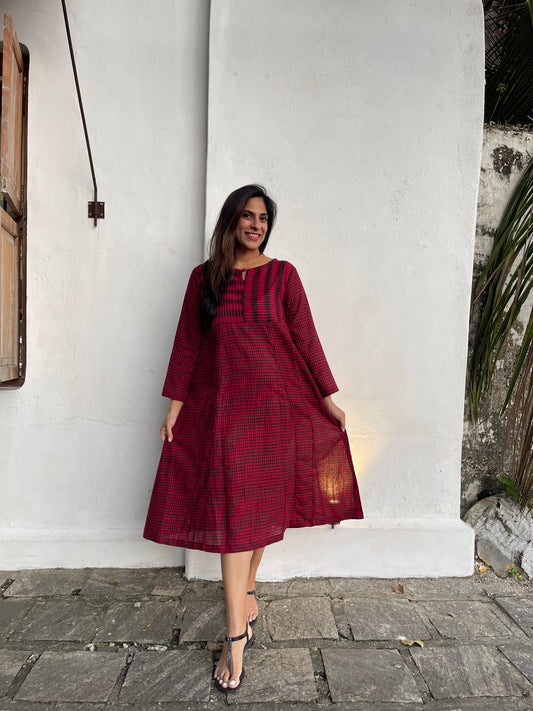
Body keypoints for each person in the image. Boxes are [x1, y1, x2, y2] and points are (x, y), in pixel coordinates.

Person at [143, 184, 363, 692]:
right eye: (247, 215)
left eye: (263, 218)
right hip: (225, 414)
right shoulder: (204, 279)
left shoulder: (283, 276)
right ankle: (235, 635)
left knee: (261, 511)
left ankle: (246, 592)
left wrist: (328, 399)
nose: (255, 225)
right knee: (234, 517)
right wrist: (174, 407)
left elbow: (306, 339)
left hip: (274, 411)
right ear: (231, 221)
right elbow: (187, 343)